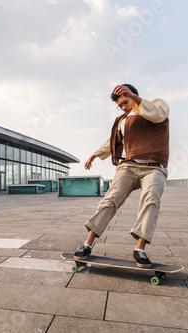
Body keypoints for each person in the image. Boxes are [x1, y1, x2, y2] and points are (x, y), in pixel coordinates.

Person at [74, 84, 170, 268]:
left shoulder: (156, 106)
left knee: (151, 200)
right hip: (128, 165)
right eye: (120, 105)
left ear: (134, 96)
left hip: (153, 167)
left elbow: (158, 114)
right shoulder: (122, 119)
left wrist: (135, 99)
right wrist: (95, 155)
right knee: (111, 198)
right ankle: (87, 244)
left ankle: (139, 249)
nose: (124, 107)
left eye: (126, 102)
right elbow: (112, 142)